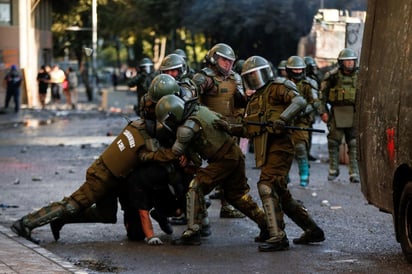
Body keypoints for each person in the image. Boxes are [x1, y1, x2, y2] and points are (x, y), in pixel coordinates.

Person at [10, 117, 185, 245]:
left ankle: (61, 220)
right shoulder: (146, 141)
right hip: (102, 176)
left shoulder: (137, 126)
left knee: (106, 216)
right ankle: (25, 223)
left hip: (114, 179)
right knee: (72, 205)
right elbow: (151, 156)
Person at [213, 56, 325, 251]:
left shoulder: (279, 86)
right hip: (266, 149)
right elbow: (248, 129)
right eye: (250, 76)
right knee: (281, 193)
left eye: (257, 74)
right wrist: (228, 127)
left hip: (281, 144)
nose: (255, 79)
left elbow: (299, 101)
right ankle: (312, 230)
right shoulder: (254, 100)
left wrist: (284, 118)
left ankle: (277, 236)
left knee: (266, 185)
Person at [138, 94, 269, 245]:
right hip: (234, 154)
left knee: (195, 186)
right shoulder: (200, 110)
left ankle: (193, 232)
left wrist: (148, 156)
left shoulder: (186, 128)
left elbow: (173, 153)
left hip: (223, 159)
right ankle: (266, 224)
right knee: (236, 195)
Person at [192, 42, 247, 218]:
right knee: (197, 167)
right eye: (224, 60)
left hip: (231, 129)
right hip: (210, 130)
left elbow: (241, 102)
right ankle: (193, 208)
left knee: (231, 167)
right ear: (214, 59)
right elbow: (192, 103)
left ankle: (227, 205)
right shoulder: (204, 78)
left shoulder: (236, 78)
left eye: (230, 61)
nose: (227, 64)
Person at [319, 48, 360, 183]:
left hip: (354, 113)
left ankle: (354, 172)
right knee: (333, 141)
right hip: (337, 112)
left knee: (354, 143)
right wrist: (323, 111)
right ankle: (333, 169)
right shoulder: (332, 76)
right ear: (341, 63)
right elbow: (322, 96)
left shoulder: (361, 75)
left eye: (352, 61)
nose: (350, 63)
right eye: (347, 61)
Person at [285, 56, 320, 187]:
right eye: (295, 69)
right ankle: (285, 177)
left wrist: (302, 111)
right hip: (286, 121)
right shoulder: (283, 84)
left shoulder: (309, 84)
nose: (298, 72)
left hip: (301, 122)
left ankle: (304, 176)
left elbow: (315, 103)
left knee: (300, 149)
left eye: (300, 69)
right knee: (285, 150)